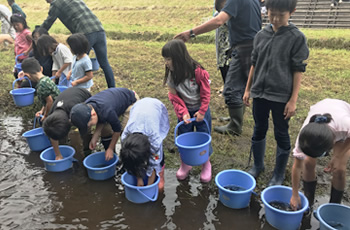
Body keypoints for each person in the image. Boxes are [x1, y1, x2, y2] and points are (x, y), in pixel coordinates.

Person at [243, 0, 309, 187]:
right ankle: (258, 166)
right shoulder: (260, 35)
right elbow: (254, 63)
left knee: (281, 132)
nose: (275, 18)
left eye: (281, 14)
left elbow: (298, 70)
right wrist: (248, 89)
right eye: (272, 14)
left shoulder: (296, 37)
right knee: (259, 129)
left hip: (281, 96)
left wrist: (293, 100)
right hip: (260, 94)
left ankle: (279, 173)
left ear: (292, 12)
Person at [174, 0, 261, 136]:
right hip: (254, 46)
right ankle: (235, 118)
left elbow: (218, 21)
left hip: (244, 48)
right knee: (241, 86)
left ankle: (235, 126)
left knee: (231, 89)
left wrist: (190, 33)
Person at [162, 39, 212, 183]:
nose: (166, 62)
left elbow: (206, 94)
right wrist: (183, 112)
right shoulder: (172, 74)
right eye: (165, 59)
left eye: (169, 59)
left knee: (203, 135)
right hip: (185, 111)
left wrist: (202, 111)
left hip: (201, 110)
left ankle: (205, 163)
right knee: (184, 135)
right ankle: (186, 163)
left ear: (178, 58)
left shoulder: (198, 72)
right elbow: (173, 95)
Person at [290, 99, 350, 210]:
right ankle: (308, 201)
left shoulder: (345, 125)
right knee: (308, 163)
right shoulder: (304, 137)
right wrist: (294, 194)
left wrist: (338, 156)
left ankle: (334, 206)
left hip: (343, 127)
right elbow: (297, 167)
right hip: (322, 111)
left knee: (340, 169)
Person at [41, 0, 115, 88]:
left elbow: (48, 23)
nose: (46, 2)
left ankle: (79, 89)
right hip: (99, 29)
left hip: (85, 33)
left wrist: (37, 33)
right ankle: (112, 89)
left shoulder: (56, 3)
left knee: (78, 62)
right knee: (104, 63)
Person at [70, 88, 138, 161]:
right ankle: (111, 154)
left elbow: (117, 130)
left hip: (131, 101)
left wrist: (111, 148)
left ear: (93, 114)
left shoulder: (107, 111)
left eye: (89, 125)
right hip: (114, 102)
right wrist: (95, 137)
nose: (89, 126)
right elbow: (100, 118)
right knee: (105, 130)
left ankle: (128, 158)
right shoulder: (87, 107)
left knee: (125, 133)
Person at [120, 98, 169, 191]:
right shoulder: (125, 137)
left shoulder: (155, 140)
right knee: (135, 160)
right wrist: (139, 179)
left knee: (158, 158)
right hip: (138, 107)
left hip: (156, 107)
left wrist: (148, 187)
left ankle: (161, 173)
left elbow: (154, 162)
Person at [43, 87, 91, 160]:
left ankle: (87, 151)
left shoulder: (77, 112)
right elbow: (53, 136)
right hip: (68, 97)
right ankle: (64, 144)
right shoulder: (51, 115)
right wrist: (58, 155)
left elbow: (85, 129)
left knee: (85, 132)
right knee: (57, 132)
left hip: (85, 95)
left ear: (69, 122)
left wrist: (87, 148)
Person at [19, 58, 60, 122]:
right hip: (57, 107)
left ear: (27, 75)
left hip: (56, 111)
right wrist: (42, 111)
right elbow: (47, 100)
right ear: (41, 68)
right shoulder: (46, 79)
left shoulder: (42, 85)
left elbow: (50, 102)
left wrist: (46, 116)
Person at [214, 0, 231, 96]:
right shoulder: (217, 14)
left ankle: (229, 91)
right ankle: (226, 88)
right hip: (221, 49)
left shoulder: (229, 16)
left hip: (228, 50)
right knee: (223, 68)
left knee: (229, 70)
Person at [10, 14, 31, 79]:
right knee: (16, 74)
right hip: (18, 58)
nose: (16, 27)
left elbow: (34, 41)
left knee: (26, 74)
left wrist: (28, 51)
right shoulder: (18, 33)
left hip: (25, 58)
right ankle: (20, 86)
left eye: (17, 25)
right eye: (14, 25)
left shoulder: (26, 33)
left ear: (23, 23)